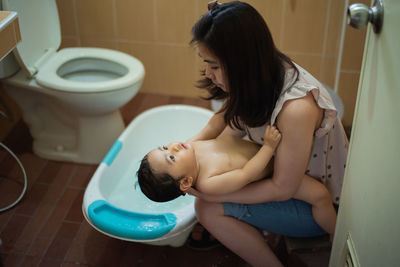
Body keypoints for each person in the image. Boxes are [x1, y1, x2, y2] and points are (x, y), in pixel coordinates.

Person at [184, 1, 349, 266]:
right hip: (295, 186)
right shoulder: (262, 75)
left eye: (214, 66)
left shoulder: (296, 109)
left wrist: (214, 194)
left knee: (206, 209)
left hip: (323, 206)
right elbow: (228, 125)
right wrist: (187, 146)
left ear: (241, 63)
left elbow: (283, 188)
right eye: (206, 63)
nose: (207, 73)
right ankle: (243, 223)